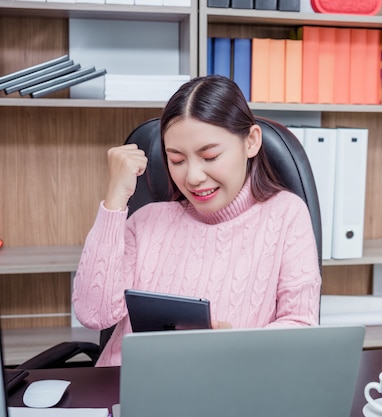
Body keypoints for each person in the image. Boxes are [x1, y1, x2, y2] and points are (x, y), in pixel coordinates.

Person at [72, 75, 321, 367]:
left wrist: (233, 346)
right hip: (128, 388)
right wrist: (115, 200)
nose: (192, 177)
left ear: (251, 142)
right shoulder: (146, 221)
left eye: (210, 156)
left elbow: (301, 326)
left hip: (228, 385)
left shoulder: (286, 215)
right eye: (176, 160)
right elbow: (93, 314)